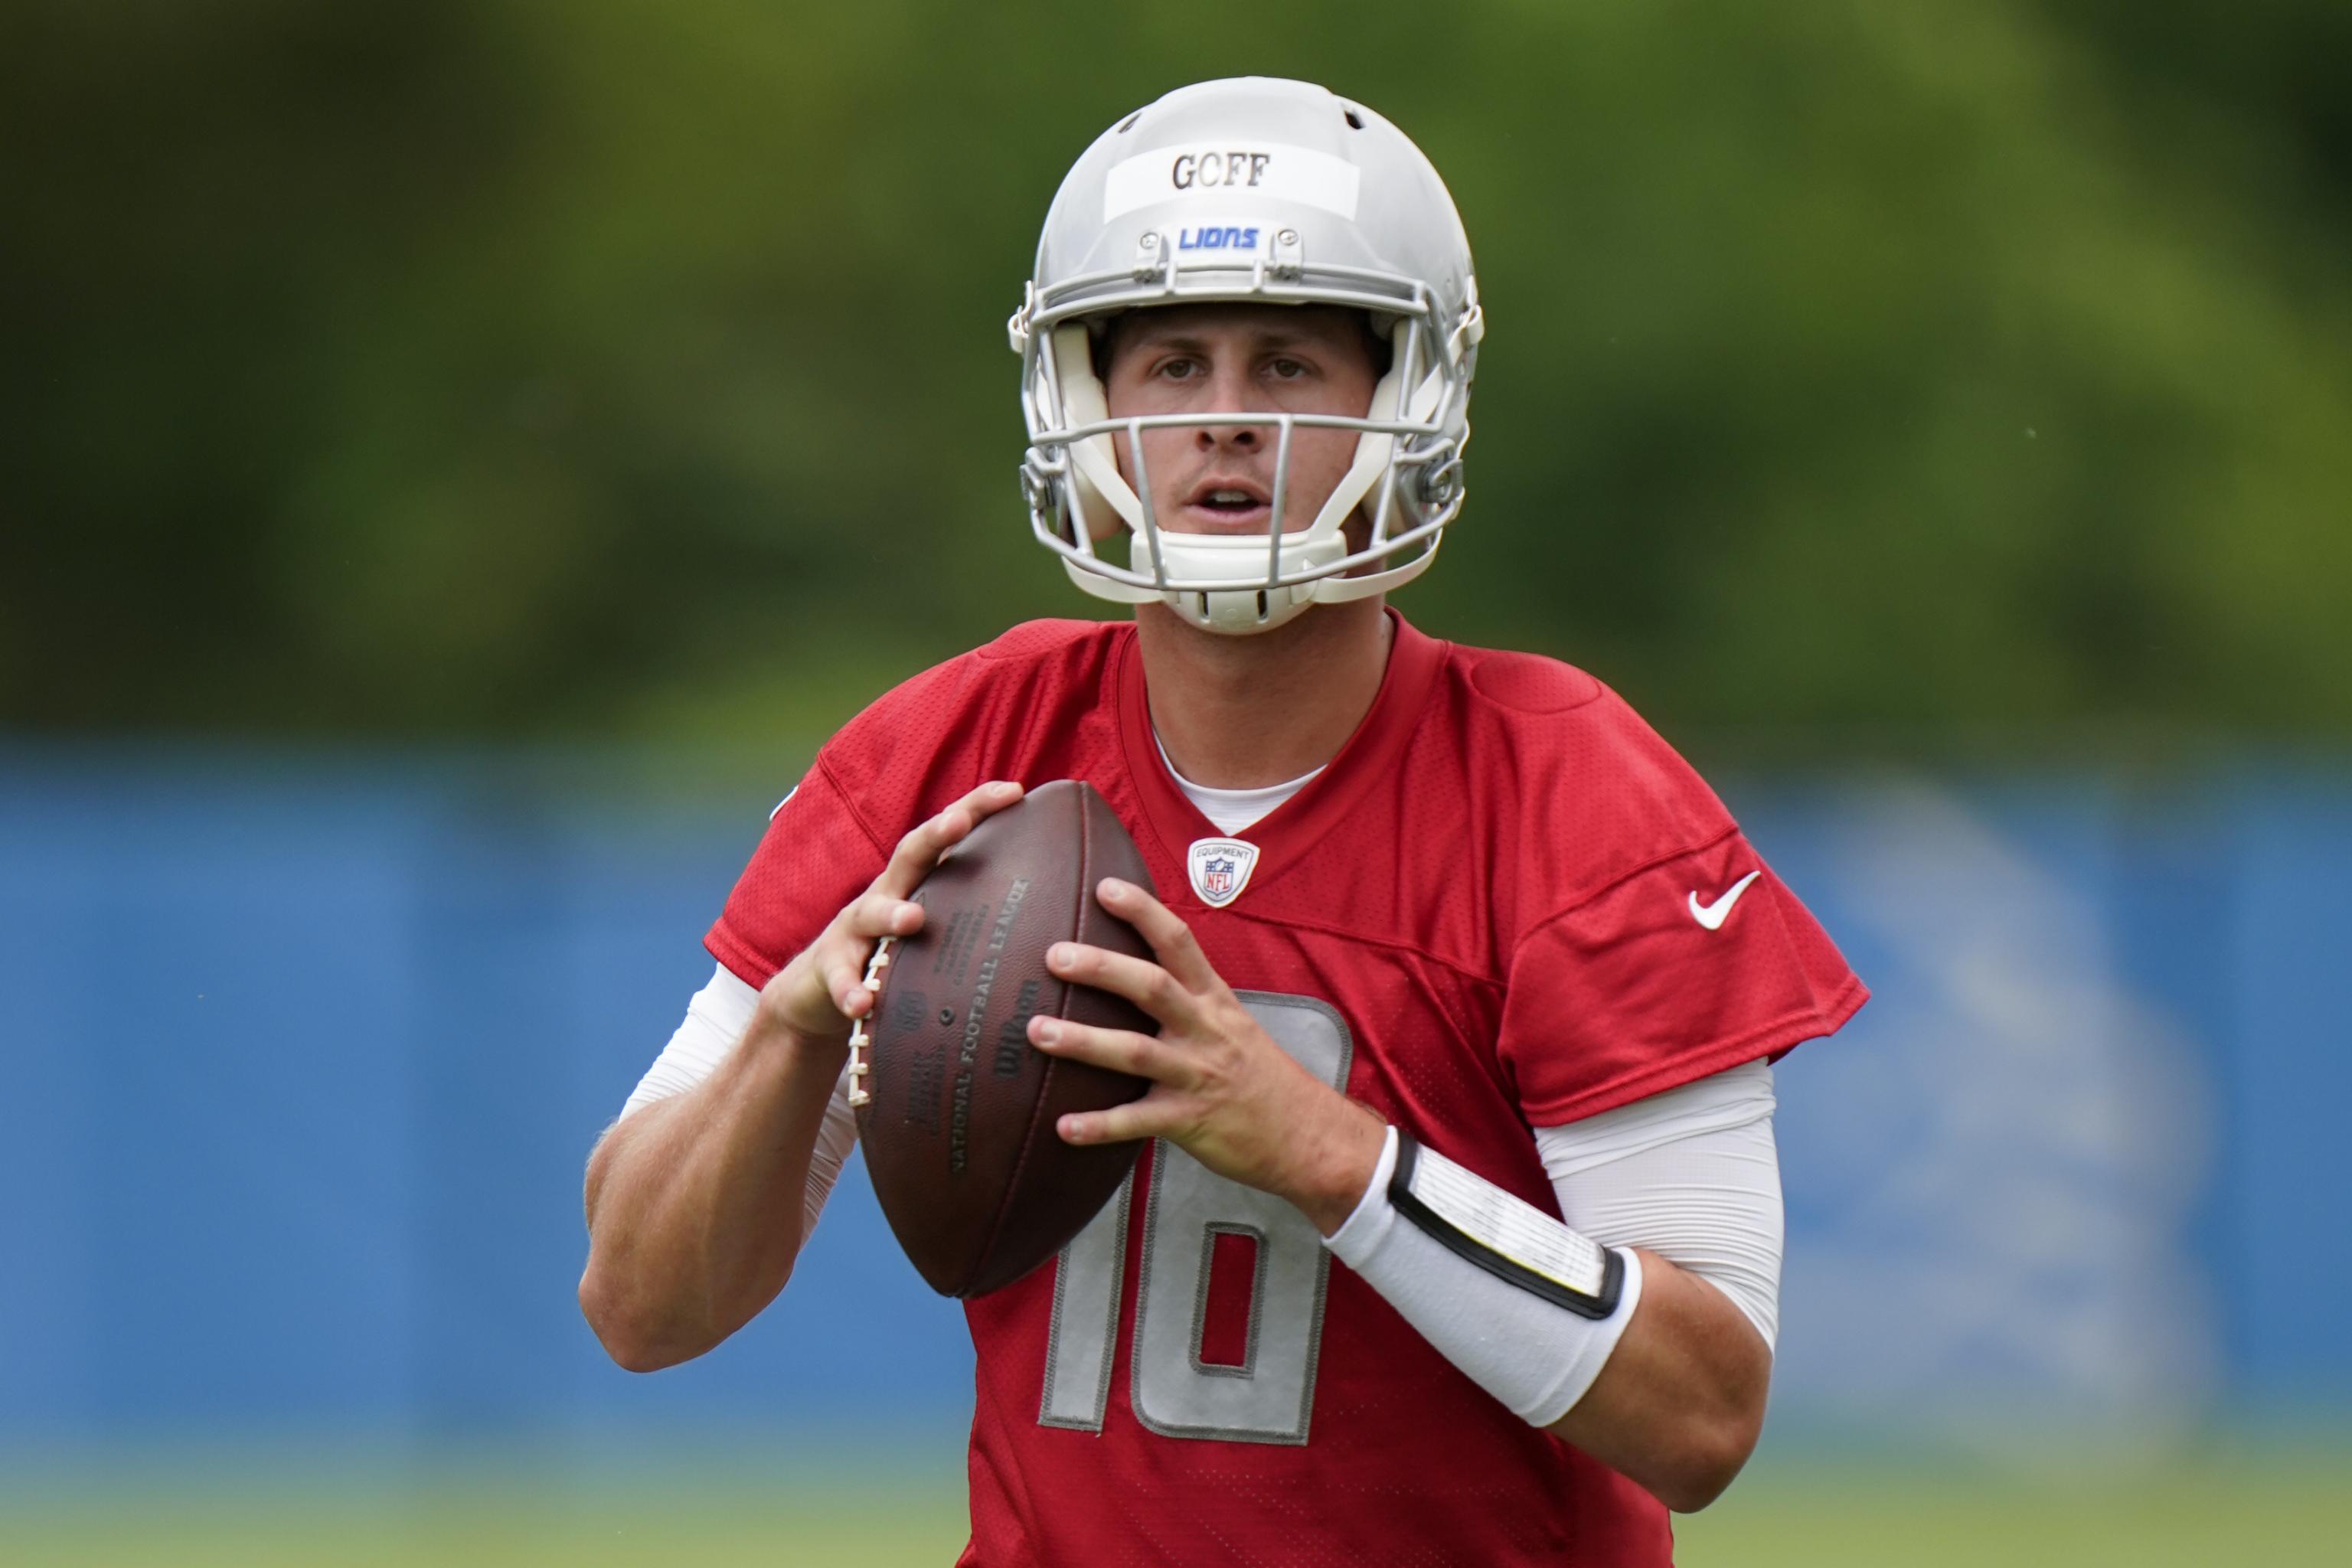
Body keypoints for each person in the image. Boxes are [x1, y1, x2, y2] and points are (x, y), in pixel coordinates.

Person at [579, 77, 1865, 1566]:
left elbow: (1703, 1416)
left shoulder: (1567, 789)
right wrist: (801, 1026)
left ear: (1407, 397)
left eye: (1292, 364)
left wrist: (1329, 1154)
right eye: (1174, 362)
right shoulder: (953, 751)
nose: (1226, 422)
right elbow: (639, 1305)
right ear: (1089, 402)